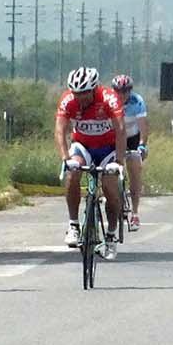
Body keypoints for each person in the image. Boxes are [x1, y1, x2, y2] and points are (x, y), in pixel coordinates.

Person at [55, 67, 126, 258]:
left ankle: (110, 236)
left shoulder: (109, 98)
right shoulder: (68, 100)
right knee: (73, 173)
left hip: (108, 148)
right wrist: (65, 158)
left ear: (94, 89)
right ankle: (73, 225)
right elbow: (60, 131)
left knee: (110, 188)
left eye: (85, 93)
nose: (81, 98)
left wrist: (119, 162)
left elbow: (120, 130)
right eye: (77, 93)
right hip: (83, 146)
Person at [110, 73, 149, 230]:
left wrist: (142, 145)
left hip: (133, 138)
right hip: (114, 138)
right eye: (118, 91)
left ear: (130, 91)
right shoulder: (108, 101)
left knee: (134, 167)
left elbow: (143, 127)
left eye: (125, 91)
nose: (122, 94)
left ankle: (135, 213)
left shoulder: (137, 101)